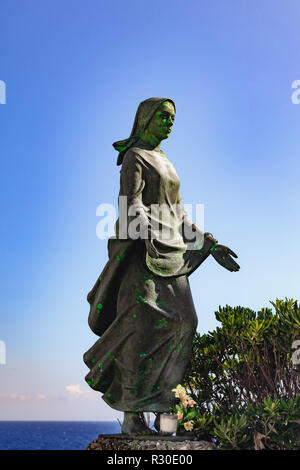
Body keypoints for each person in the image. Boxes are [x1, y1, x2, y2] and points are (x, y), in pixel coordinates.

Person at [83, 97, 240, 435]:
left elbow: (179, 215)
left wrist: (209, 244)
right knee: (141, 331)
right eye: (164, 117)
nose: (170, 123)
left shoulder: (166, 161)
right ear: (146, 119)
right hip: (143, 254)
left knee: (185, 322)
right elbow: (131, 202)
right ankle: (132, 415)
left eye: (173, 118)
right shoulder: (135, 158)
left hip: (171, 252)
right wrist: (144, 228)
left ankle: (165, 412)